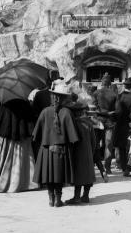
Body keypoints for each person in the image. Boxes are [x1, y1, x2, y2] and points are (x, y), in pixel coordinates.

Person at [32, 79, 79, 207]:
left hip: (46, 149)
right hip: (62, 149)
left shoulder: (44, 112)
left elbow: (35, 134)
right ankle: (58, 199)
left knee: (48, 176)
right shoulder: (68, 112)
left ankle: (51, 199)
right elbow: (74, 137)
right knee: (59, 175)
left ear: (52, 96)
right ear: (63, 98)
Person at [0, 99, 38, 193]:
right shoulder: (23, 101)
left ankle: (3, 183)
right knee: (22, 159)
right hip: (21, 136)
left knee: (4, 159)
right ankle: (23, 183)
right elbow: (30, 119)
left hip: (6, 134)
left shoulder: (3, 100)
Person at [65, 102, 96, 204]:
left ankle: (77, 196)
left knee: (78, 175)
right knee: (88, 174)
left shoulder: (74, 124)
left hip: (78, 152)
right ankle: (86, 196)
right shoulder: (89, 123)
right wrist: (92, 152)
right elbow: (93, 141)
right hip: (88, 152)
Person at [31, 70, 63, 158]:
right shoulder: (63, 96)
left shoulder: (40, 94)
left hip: (44, 130)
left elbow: (34, 114)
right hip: (58, 132)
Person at [112, 77, 131, 176]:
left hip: (120, 126)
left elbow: (117, 112)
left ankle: (125, 169)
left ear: (124, 85)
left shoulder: (119, 97)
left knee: (122, 148)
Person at [93, 73, 117, 174]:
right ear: (110, 82)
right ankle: (107, 168)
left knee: (95, 144)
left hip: (98, 121)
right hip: (110, 122)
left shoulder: (96, 93)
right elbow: (117, 110)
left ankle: (94, 165)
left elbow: (94, 108)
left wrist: (102, 112)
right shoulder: (114, 94)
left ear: (102, 82)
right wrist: (108, 113)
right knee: (108, 145)